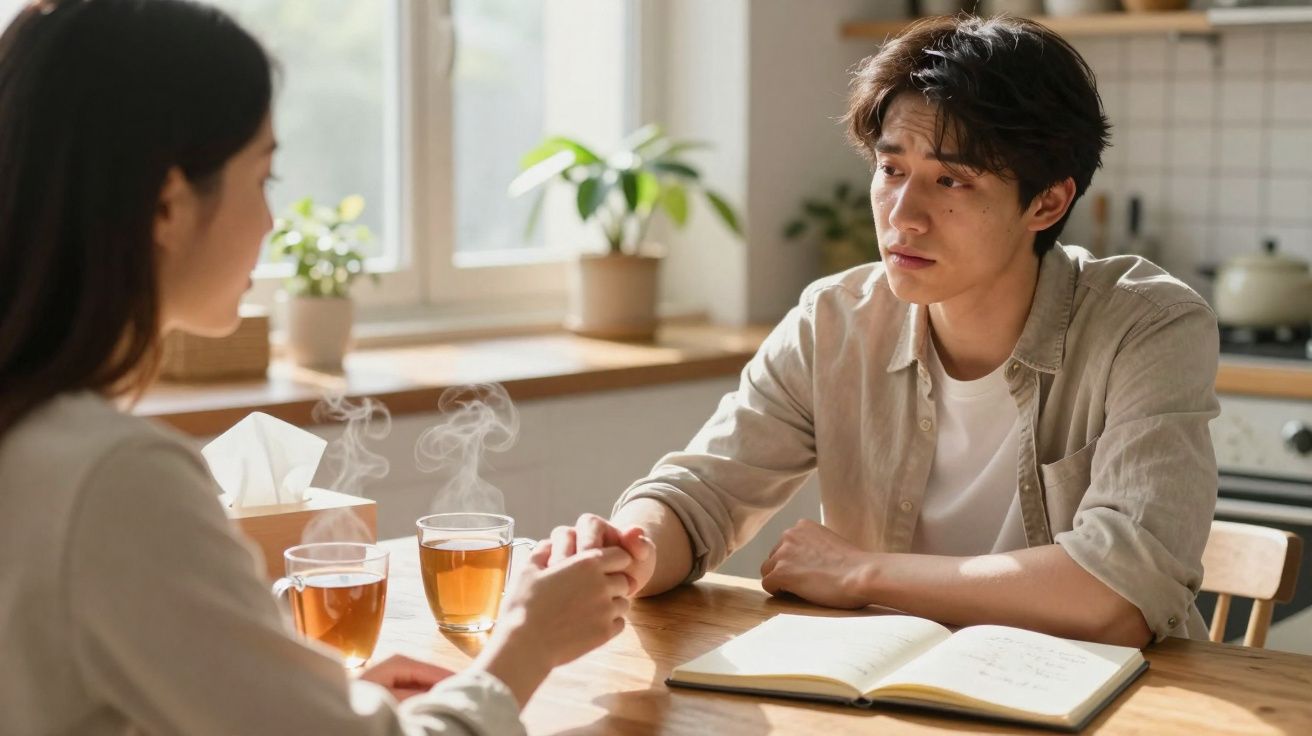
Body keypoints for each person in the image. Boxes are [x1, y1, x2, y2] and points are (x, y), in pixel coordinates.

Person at [0, 2, 630, 734]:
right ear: (166, 205)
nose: (273, 222)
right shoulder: (114, 479)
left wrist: (302, 686)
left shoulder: (36, 440)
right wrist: (524, 647)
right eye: (264, 177)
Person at [548, 15, 1219, 648]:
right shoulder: (835, 320)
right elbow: (701, 498)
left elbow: (1117, 592)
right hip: (887, 694)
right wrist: (626, 549)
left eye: (950, 180)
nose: (904, 215)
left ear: (1047, 202)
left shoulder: (1149, 325)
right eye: (891, 170)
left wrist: (863, 573)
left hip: (1111, 703)